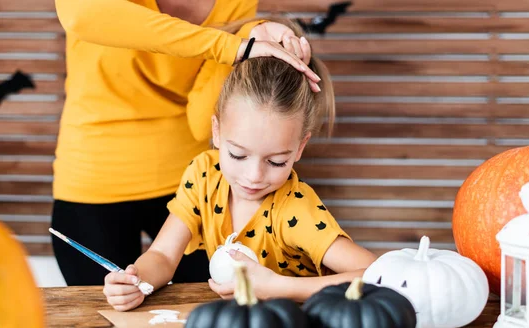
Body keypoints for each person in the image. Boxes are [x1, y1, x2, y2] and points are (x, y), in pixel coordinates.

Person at [102, 20, 378, 311]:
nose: (254, 176)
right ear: (217, 131)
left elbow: (379, 275)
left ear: (300, 147)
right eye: (237, 155)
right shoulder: (204, 175)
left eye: (275, 161)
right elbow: (163, 256)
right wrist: (137, 280)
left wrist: (281, 288)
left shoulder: (294, 210)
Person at [51, 0, 321, 285]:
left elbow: (200, 121)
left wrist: (247, 40)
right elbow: (81, 15)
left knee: (206, 316)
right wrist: (233, 46)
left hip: (192, 187)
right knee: (107, 315)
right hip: (92, 181)